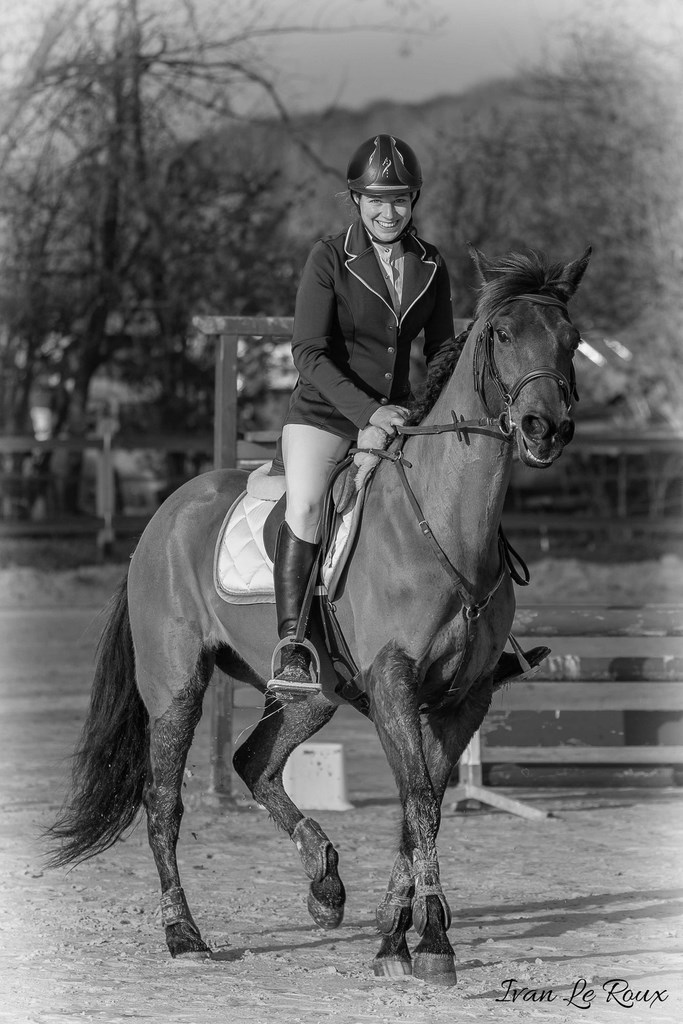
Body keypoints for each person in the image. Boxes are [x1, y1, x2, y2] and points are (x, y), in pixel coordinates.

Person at [268, 134, 544, 699]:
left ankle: (483, 644)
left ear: (413, 200)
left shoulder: (430, 263)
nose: (388, 212)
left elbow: (442, 355)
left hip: (399, 419)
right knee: (307, 504)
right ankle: (293, 645)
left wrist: (442, 413)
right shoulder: (328, 258)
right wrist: (367, 413)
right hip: (323, 417)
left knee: (457, 498)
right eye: (376, 200)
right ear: (357, 200)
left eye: (398, 199)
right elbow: (308, 353)